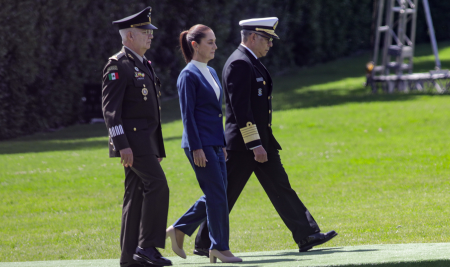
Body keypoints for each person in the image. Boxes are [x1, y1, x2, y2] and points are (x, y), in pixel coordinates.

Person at [193, 17, 338, 256]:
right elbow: (240, 109)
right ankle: (203, 242)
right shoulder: (240, 63)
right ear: (253, 37)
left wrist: (261, 143)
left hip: (260, 142)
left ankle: (306, 234)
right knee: (225, 192)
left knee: (280, 186)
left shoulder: (252, 61)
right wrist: (255, 144)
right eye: (268, 39)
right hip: (244, 145)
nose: (270, 44)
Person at [164, 24, 242, 264]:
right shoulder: (188, 74)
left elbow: (215, 113)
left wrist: (222, 143)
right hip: (198, 145)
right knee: (217, 194)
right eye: (210, 42)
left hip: (215, 143)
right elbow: (187, 115)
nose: (215, 47)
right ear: (195, 45)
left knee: (218, 193)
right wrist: (197, 147)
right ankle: (219, 247)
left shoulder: (212, 72)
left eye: (215, 41)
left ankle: (178, 229)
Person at [101, 7, 172, 267]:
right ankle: (147, 247)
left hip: (145, 143)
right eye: (145, 32)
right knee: (158, 185)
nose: (150, 36)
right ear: (129, 36)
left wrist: (156, 147)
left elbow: (150, 113)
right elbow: (111, 112)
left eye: (150, 32)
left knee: (135, 194)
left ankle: (128, 257)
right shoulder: (118, 65)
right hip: (132, 143)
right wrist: (122, 146)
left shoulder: (144, 64)